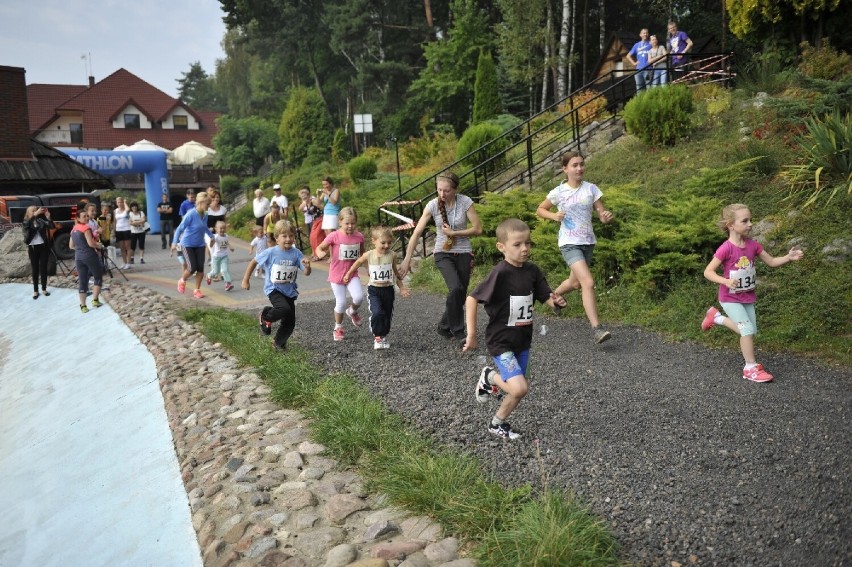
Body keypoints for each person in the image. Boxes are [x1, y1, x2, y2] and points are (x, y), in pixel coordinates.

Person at [463, 218, 566, 440]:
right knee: (519, 388)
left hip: (522, 341)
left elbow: (544, 295)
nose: (525, 249)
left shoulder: (532, 271)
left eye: (528, 243)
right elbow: (472, 299)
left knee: (518, 388)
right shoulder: (500, 273)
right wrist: (471, 334)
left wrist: (555, 302)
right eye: (517, 245)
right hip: (501, 342)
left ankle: (497, 423)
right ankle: (489, 376)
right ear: (502, 247)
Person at [701, 204, 804, 383]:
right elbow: (708, 272)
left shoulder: (753, 245)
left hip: (747, 296)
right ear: (730, 225)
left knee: (750, 331)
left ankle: (716, 318)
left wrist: (788, 257)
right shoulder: (726, 248)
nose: (750, 224)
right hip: (729, 297)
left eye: (750, 219)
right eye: (745, 221)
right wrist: (725, 281)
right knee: (746, 330)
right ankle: (750, 368)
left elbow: (771, 261)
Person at [535, 151, 614, 344]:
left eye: (581, 164)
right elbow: (540, 209)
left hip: (588, 241)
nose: (579, 168)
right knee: (587, 282)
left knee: (576, 283)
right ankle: (597, 329)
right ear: (565, 169)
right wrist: (554, 216)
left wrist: (604, 217)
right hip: (569, 243)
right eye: (574, 165)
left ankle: (552, 297)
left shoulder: (591, 189)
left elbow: (600, 212)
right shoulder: (559, 191)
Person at [400, 171, 483, 339]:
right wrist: (407, 259)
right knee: (456, 288)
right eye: (439, 190)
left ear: (455, 190)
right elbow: (416, 233)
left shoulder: (465, 202)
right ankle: (459, 332)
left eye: (446, 190)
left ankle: (444, 326)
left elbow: (478, 229)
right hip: (442, 253)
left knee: (459, 294)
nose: (442, 194)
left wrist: (455, 233)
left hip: (464, 252)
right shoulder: (432, 205)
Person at [242, 220, 312, 351]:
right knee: (283, 308)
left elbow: (306, 272)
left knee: (290, 322)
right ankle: (265, 316)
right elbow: (254, 262)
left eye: (291, 236)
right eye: (284, 236)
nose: (288, 239)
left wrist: (308, 267)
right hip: (274, 289)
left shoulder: (296, 253)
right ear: (277, 238)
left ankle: (278, 343)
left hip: (290, 291)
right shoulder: (270, 252)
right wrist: (246, 280)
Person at [343, 226, 411, 349]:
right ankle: (378, 336)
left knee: (387, 314)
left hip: (388, 290)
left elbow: (395, 273)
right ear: (374, 241)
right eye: (383, 243)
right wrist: (348, 273)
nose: (386, 245)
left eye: (389, 243)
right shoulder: (369, 255)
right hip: (374, 290)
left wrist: (402, 287)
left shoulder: (392, 255)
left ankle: (383, 335)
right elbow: (358, 262)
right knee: (377, 312)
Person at [313, 207, 365, 341]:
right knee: (340, 303)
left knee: (359, 297)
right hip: (337, 276)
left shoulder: (359, 236)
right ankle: (338, 327)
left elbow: (362, 255)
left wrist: (369, 268)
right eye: (347, 223)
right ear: (340, 222)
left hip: (352, 273)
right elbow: (320, 247)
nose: (350, 226)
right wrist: (319, 253)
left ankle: (352, 311)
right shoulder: (334, 235)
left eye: (353, 223)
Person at [172, 191, 213, 299]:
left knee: (200, 269)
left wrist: (211, 236)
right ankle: (182, 280)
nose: (208, 207)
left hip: (200, 244)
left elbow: (204, 227)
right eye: (207, 204)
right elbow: (179, 229)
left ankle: (197, 290)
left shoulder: (205, 215)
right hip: (187, 244)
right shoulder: (190, 214)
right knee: (192, 267)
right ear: (200, 202)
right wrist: (174, 242)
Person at [69, 207, 104, 313]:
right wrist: (99, 246)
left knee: (83, 281)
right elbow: (91, 243)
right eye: (84, 216)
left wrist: (80, 249)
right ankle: (95, 300)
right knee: (98, 277)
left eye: (87, 216)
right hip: (90, 256)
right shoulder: (86, 228)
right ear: (78, 218)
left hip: (78, 257)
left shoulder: (74, 229)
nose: (87, 218)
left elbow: (71, 246)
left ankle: (83, 306)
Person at [22, 205, 54, 299]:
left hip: (43, 246)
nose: (35, 212)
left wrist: (48, 218)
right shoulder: (26, 221)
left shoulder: (40, 221)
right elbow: (27, 225)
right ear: (28, 213)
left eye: (36, 210)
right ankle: (35, 291)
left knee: (43, 268)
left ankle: (44, 289)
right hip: (32, 248)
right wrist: (34, 215)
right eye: (32, 211)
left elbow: (51, 226)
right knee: (35, 269)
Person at [206, 220, 235, 291]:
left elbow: (227, 243)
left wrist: (231, 247)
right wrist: (211, 241)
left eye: (224, 228)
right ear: (216, 229)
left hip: (224, 256)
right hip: (217, 257)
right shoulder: (215, 237)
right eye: (220, 228)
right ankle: (209, 275)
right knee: (216, 271)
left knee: (225, 270)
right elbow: (211, 245)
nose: (222, 230)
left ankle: (228, 284)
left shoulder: (226, 236)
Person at [627, 28, 652, 92]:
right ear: (640, 35)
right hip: (638, 70)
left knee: (649, 88)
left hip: (648, 69)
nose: (645, 34)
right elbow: (628, 56)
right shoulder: (637, 45)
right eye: (644, 33)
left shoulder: (651, 43)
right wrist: (634, 63)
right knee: (639, 89)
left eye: (646, 33)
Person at [113, 196, 132, 269]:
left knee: (128, 247)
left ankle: (128, 262)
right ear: (116, 203)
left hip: (126, 229)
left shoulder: (126, 209)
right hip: (119, 230)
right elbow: (114, 221)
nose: (119, 203)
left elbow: (128, 209)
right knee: (122, 248)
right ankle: (124, 262)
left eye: (121, 202)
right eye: (118, 202)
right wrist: (114, 231)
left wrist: (125, 202)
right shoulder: (115, 211)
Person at [298, 186, 319, 251]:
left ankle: (317, 251)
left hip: (314, 220)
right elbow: (300, 209)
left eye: (305, 192)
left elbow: (314, 208)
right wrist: (305, 203)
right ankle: (313, 251)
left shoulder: (312, 198)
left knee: (314, 236)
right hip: (307, 220)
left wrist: (307, 204)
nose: (303, 194)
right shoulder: (304, 201)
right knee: (310, 237)